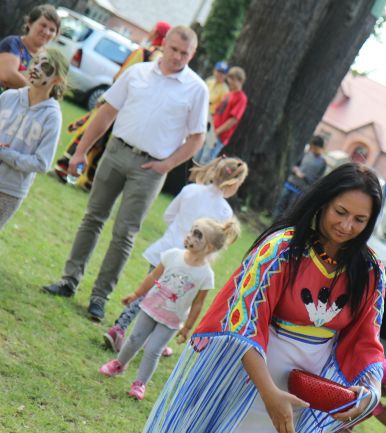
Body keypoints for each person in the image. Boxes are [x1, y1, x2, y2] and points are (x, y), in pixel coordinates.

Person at [142, 163, 385, 433]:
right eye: (340, 212)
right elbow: (245, 323)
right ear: (324, 203)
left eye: (360, 220)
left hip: (309, 393)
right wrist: (269, 393)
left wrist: (371, 391)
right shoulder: (280, 249)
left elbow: (366, 340)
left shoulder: (370, 270)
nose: (347, 225)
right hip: (249, 377)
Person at [42, 26, 210, 322]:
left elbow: (197, 138)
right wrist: (79, 152)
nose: (177, 57)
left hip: (151, 168)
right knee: (92, 217)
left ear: (192, 54)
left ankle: (99, 297)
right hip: (116, 153)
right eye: (173, 50)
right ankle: (69, 280)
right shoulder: (138, 72)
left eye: (185, 53)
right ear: (164, 46)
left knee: (124, 234)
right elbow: (105, 113)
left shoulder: (197, 89)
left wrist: (167, 165)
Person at [103, 156, 249, 355]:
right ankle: (125, 329)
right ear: (235, 183)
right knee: (172, 302)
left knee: (151, 292)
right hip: (189, 264)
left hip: (166, 249)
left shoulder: (190, 190)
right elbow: (214, 243)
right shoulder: (224, 211)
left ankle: (140, 336)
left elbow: (168, 216)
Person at [99, 218, 240, 400]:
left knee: (153, 350)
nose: (191, 236)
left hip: (172, 320)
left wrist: (188, 328)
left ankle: (140, 383)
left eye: (198, 235)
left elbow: (198, 303)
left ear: (209, 247)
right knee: (134, 339)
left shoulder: (206, 275)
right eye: (192, 230)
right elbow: (152, 277)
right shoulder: (172, 255)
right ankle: (119, 363)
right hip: (150, 307)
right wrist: (136, 294)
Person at [51, 20, 172, 189]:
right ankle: (90, 181)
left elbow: (121, 78)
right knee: (106, 144)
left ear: (155, 34)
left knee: (89, 134)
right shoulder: (165, 64)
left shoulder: (143, 53)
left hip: (116, 105)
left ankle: (64, 168)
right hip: (132, 113)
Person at [0, 48, 68, 230]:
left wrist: (5, 154)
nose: (36, 67)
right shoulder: (8, 97)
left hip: (9, 190)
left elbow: (42, 163)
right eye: (36, 61)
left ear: (57, 79)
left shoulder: (52, 117)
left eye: (45, 66)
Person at [0, 4, 60, 94]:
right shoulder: (13, 43)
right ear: (30, 23)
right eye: (43, 25)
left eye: (52, 30)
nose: (46, 32)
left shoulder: (47, 58)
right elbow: (7, 75)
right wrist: (37, 91)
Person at [194, 66, 247, 165]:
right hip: (211, 130)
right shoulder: (228, 94)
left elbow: (233, 120)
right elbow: (217, 112)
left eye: (233, 79)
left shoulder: (241, 98)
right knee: (196, 156)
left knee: (204, 161)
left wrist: (217, 132)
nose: (229, 81)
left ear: (240, 81)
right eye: (229, 78)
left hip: (219, 135)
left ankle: (197, 180)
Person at [272, 135, 327, 220]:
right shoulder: (306, 154)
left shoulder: (322, 163)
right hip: (290, 183)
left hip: (301, 190)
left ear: (319, 147)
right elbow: (294, 166)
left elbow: (318, 181)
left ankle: (281, 228)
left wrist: (304, 176)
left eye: (314, 147)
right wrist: (296, 170)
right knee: (280, 204)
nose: (312, 148)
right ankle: (272, 224)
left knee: (290, 211)